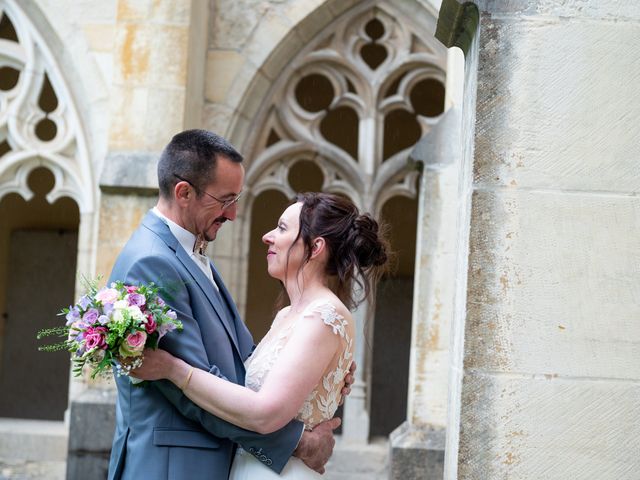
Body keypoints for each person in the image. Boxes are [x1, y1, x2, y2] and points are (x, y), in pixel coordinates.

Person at [107, 130, 352, 480]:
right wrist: (297, 443)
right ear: (184, 192)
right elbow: (188, 389)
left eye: (237, 199)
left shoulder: (189, 255)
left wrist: (315, 370)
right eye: (225, 200)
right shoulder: (153, 263)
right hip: (172, 466)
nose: (234, 214)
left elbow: (240, 364)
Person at [131, 192, 389, 478]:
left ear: (315, 247)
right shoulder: (287, 315)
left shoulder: (325, 315)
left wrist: (173, 369)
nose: (267, 236)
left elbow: (265, 414)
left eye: (282, 228)